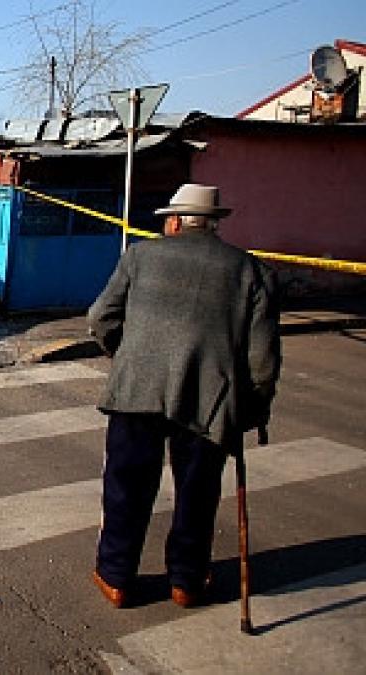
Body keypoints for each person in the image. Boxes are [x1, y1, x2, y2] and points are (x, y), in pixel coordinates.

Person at [87, 183, 281, 609]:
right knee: (198, 491)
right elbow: (262, 358)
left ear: (174, 221)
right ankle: (187, 583)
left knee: (126, 486)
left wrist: (127, 355)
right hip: (208, 398)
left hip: (137, 391)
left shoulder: (140, 256)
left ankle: (117, 577)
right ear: (214, 224)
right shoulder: (250, 271)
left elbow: (101, 317)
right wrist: (253, 407)